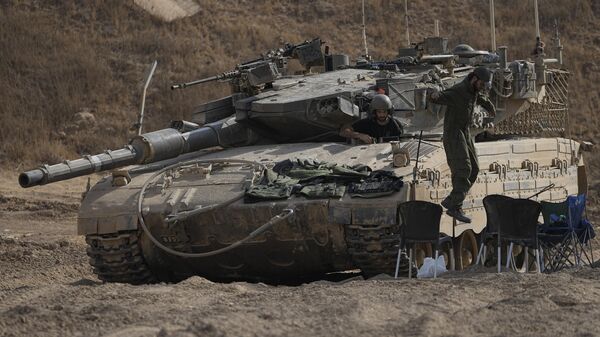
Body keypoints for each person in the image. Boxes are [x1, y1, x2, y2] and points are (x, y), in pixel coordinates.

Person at [429, 66, 496, 223]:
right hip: (454, 133)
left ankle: (452, 200)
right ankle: (455, 206)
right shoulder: (459, 90)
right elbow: (440, 97)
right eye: (481, 84)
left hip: (465, 131)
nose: (482, 88)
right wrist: (433, 95)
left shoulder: (472, 90)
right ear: (474, 79)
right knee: (464, 168)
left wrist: (490, 108)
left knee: (475, 169)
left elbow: (478, 98)